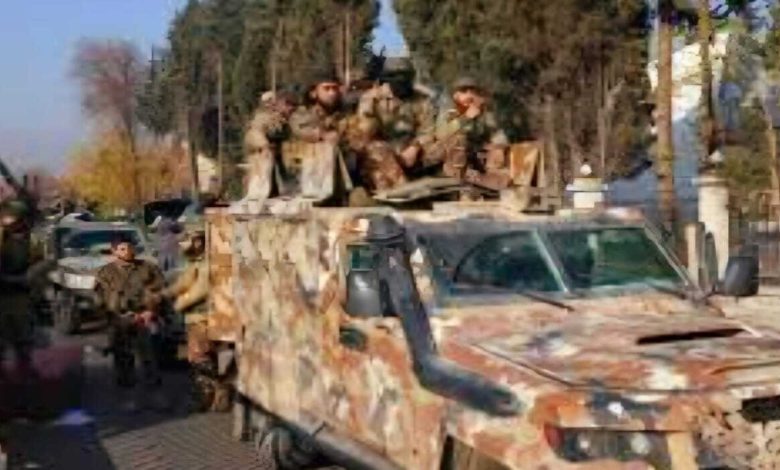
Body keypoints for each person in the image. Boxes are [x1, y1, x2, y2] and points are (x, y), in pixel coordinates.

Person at [94, 234, 167, 411]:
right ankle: (127, 397)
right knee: (123, 360)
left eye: (130, 247)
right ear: (114, 251)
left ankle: (155, 395)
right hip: (119, 320)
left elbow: (161, 291)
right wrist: (111, 317)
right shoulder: (105, 272)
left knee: (149, 357)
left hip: (143, 318)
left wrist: (151, 311)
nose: (127, 251)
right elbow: (98, 298)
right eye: (122, 249)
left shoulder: (147, 268)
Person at [160, 229, 224, 411]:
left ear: (198, 242)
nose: (182, 245)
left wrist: (177, 304)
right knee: (205, 357)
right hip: (198, 317)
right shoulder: (196, 262)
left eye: (186, 241)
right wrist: (163, 295)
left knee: (200, 358)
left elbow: (201, 290)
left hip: (205, 317)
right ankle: (215, 398)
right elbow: (184, 282)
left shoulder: (208, 263)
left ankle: (207, 398)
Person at [352, 57, 437, 192]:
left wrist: (415, 147)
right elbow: (365, 135)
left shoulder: (422, 100)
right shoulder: (371, 98)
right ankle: (403, 190)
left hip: (413, 150)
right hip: (384, 152)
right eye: (395, 76)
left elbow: (428, 130)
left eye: (405, 76)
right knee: (376, 149)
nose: (401, 80)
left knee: (444, 144)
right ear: (387, 78)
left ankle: (452, 187)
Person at [433, 77, 511, 190]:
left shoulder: (483, 111)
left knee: (499, 150)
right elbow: (444, 135)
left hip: (474, 154)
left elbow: (496, 133)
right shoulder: (450, 111)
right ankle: (463, 175)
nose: (469, 95)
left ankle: (492, 177)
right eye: (464, 91)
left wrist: (499, 147)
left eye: (472, 91)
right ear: (455, 95)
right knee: (457, 141)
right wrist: (466, 118)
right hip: (449, 157)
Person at [242, 89, 298, 201]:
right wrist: (265, 145)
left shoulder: (286, 123)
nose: (291, 109)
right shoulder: (266, 118)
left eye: (293, 105)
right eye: (288, 105)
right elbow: (254, 132)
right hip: (263, 160)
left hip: (278, 161)